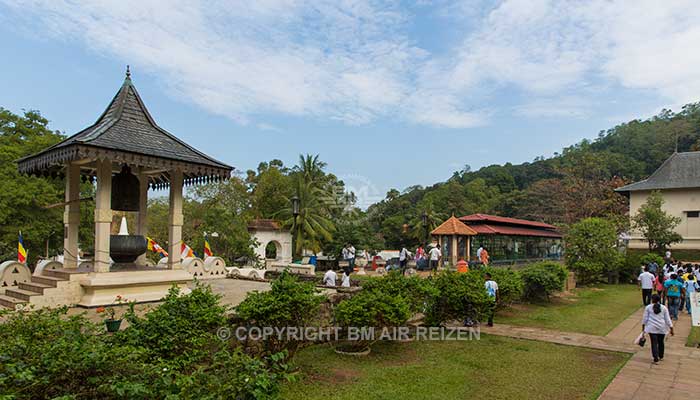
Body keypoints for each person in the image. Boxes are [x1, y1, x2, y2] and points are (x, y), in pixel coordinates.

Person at [642, 294, 674, 364]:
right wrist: (671, 328)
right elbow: (667, 319)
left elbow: (645, 319)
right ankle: (661, 356)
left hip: (652, 328)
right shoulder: (664, 308)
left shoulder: (648, 307)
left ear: (652, 300)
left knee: (654, 343)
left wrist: (643, 328)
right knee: (661, 342)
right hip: (661, 328)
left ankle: (655, 359)